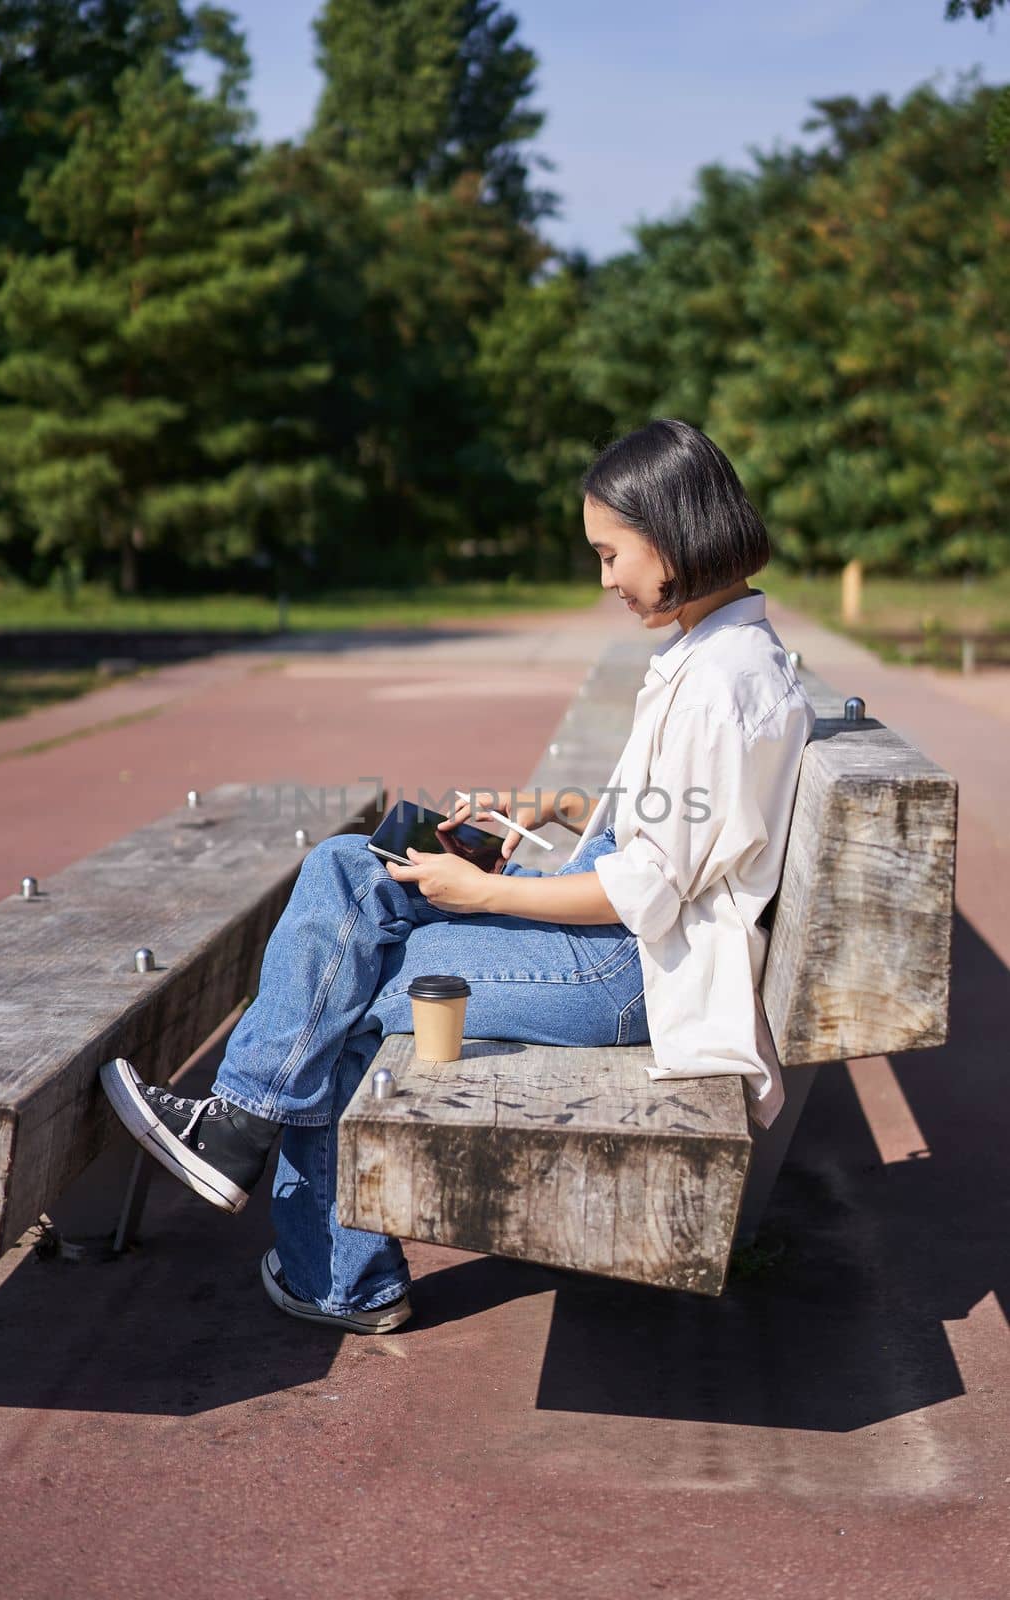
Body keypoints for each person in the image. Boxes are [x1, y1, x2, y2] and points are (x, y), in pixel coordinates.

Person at [99, 418, 815, 1334]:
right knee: (347, 879)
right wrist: (549, 805)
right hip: (626, 944)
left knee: (339, 985)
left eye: (610, 554)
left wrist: (485, 892)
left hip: (632, 969)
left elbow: (643, 892)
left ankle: (319, 1246)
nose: (604, 581)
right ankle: (253, 1149)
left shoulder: (721, 681)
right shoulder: (717, 652)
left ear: (672, 530)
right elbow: (676, 820)